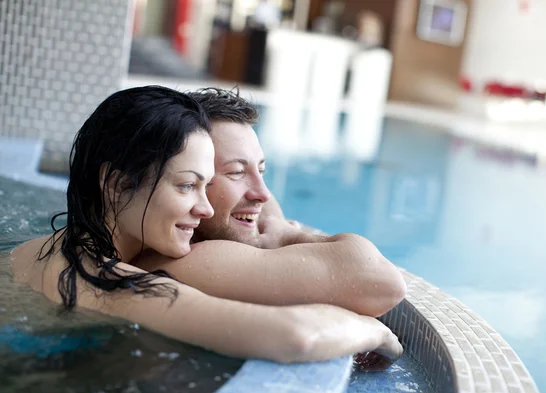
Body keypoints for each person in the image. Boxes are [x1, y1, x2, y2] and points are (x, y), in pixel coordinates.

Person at [10, 85, 402, 364]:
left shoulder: (54, 248)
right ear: (115, 183)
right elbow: (296, 336)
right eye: (186, 186)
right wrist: (375, 331)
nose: (205, 209)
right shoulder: (107, 283)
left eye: (205, 185)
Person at [134, 87, 406, 317]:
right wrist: (285, 236)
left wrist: (270, 221)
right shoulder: (189, 259)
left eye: (261, 171)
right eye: (236, 172)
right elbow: (383, 282)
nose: (262, 193)